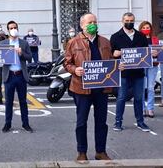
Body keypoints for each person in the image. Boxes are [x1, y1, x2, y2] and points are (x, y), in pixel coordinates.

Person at [64, 13, 112, 162]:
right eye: (90, 22)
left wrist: (118, 66)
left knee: (101, 122)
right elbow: (67, 63)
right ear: (82, 25)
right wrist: (74, 70)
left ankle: (100, 151)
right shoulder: (73, 42)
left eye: (95, 22)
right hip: (81, 88)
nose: (93, 24)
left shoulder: (105, 42)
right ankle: (82, 152)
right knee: (81, 122)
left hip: (101, 88)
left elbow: (110, 61)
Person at [110, 12, 151, 132]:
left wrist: (151, 54)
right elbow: (111, 55)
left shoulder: (140, 36)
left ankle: (140, 122)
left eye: (131, 20)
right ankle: (118, 122)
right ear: (122, 21)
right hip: (123, 73)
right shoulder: (115, 36)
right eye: (127, 21)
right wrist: (115, 54)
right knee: (121, 97)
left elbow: (146, 52)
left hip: (138, 73)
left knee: (139, 98)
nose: (129, 23)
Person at [0, 21, 33, 133]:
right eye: (11, 28)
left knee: (23, 101)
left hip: (20, 75)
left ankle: (26, 124)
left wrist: (21, 53)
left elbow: (30, 58)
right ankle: (7, 124)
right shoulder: (3, 43)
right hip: (9, 76)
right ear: (8, 30)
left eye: (15, 27)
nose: (13, 29)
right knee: (8, 101)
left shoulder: (23, 43)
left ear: (17, 29)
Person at [138, 21, 159, 118]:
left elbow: (159, 51)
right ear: (141, 29)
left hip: (152, 65)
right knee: (141, 88)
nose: (146, 29)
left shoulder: (155, 39)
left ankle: (150, 109)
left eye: (148, 27)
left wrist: (157, 53)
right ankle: (142, 109)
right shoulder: (137, 39)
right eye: (144, 27)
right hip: (141, 65)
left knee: (151, 87)